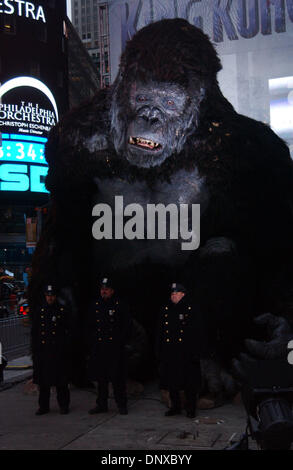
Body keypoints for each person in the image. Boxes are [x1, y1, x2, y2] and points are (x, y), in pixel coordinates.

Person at [156, 282, 206, 418]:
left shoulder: (191, 309)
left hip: (186, 353)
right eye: (172, 293)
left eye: (176, 293)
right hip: (170, 352)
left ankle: (191, 409)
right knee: (172, 382)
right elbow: (160, 332)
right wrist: (159, 351)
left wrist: (197, 353)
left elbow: (198, 333)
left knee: (189, 383)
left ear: (183, 294)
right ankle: (175, 407)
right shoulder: (165, 309)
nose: (173, 296)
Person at [86, 277, 132, 415]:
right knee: (101, 380)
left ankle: (121, 405)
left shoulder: (119, 305)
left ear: (112, 291)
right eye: (102, 289)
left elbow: (126, 326)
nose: (104, 291)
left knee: (118, 379)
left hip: (114, 348)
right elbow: (90, 326)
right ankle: (101, 404)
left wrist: (120, 342)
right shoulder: (95, 305)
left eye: (106, 289)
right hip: (99, 348)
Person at [31, 285, 73, 415]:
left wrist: (65, 347)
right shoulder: (41, 310)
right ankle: (43, 406)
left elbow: (68, 330)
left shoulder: (61, 310)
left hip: (57, 351)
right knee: (44, 382)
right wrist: (35, 351)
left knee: (61, 381)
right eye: (48, 295)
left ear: (55, 296)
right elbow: (35, 332)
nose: (50, 298)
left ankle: (64, 405)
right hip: (43, 351)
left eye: (52, 295)